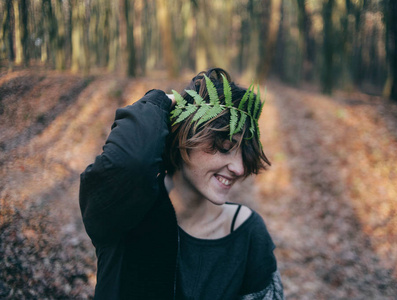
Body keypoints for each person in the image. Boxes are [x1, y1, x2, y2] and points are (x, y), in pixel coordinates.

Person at [79, 68, 284, 299]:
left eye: (243, 153)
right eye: (225, 147)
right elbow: (130, 164)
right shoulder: (126, 212)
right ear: (185, 137)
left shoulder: (248, 233)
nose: (240, 168)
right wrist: (160, 102)